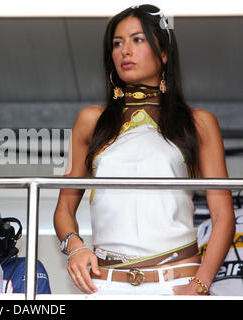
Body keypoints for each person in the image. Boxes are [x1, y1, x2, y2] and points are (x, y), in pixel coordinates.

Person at [53, 4, 235, 295]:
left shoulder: (198, 123)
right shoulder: (90, 121)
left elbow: (224, 216)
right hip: (105, 284)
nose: (125, 51)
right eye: (117, 43)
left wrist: (200, 285)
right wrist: (74, 246)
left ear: (163, 53)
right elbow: (63, 208)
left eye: (137, 40)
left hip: (178, 281)